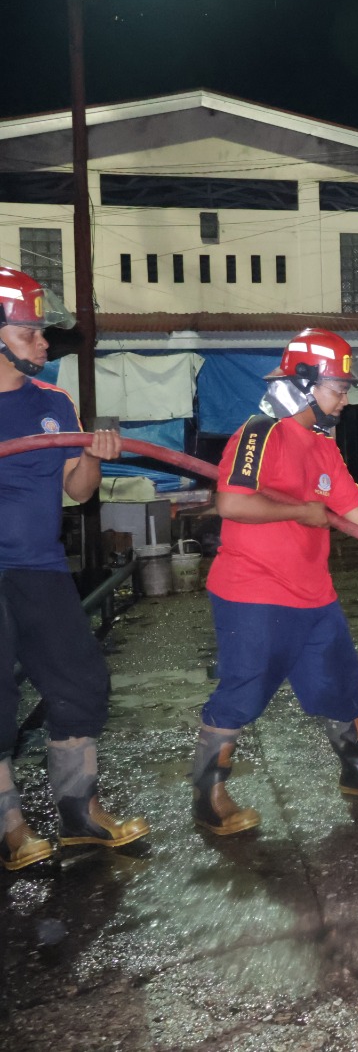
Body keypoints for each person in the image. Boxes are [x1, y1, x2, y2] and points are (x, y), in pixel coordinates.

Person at [190, 328, 358, 835]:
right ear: (305, 382)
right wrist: (301, 512)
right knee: (241, 693)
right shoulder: (260, 433)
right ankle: (208, 796)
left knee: (343, 688)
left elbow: (356, 508)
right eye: (339, 388)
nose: (346, 399)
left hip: (314, 593)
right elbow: (232, 503)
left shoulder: (323, 446)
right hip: (253, 591)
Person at [0, 266, 149, 870]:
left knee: (82, 682)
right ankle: (10, 825)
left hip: (40, 567)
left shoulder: (53, 403)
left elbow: (79, 492)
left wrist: (91, 455)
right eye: (31, 331)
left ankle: (79, 812)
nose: (43, 341)